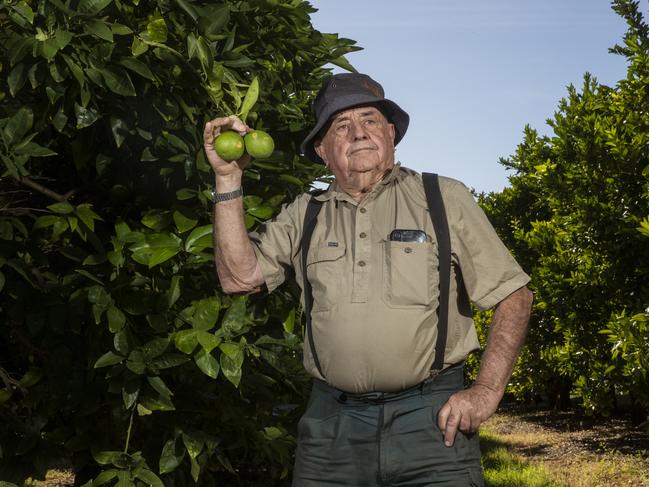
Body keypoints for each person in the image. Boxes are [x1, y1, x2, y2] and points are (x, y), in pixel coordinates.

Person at [203, 73, 533, 487]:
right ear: (323, 151)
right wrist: (228, 179)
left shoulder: (442, 197)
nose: (358, 133)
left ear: (391, 134)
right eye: (341, 127)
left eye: (370, 120)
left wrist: (486, 390)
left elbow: (514, 296)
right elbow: (238, 278)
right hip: (331, 430)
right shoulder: (305, 213)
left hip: (432, 424)